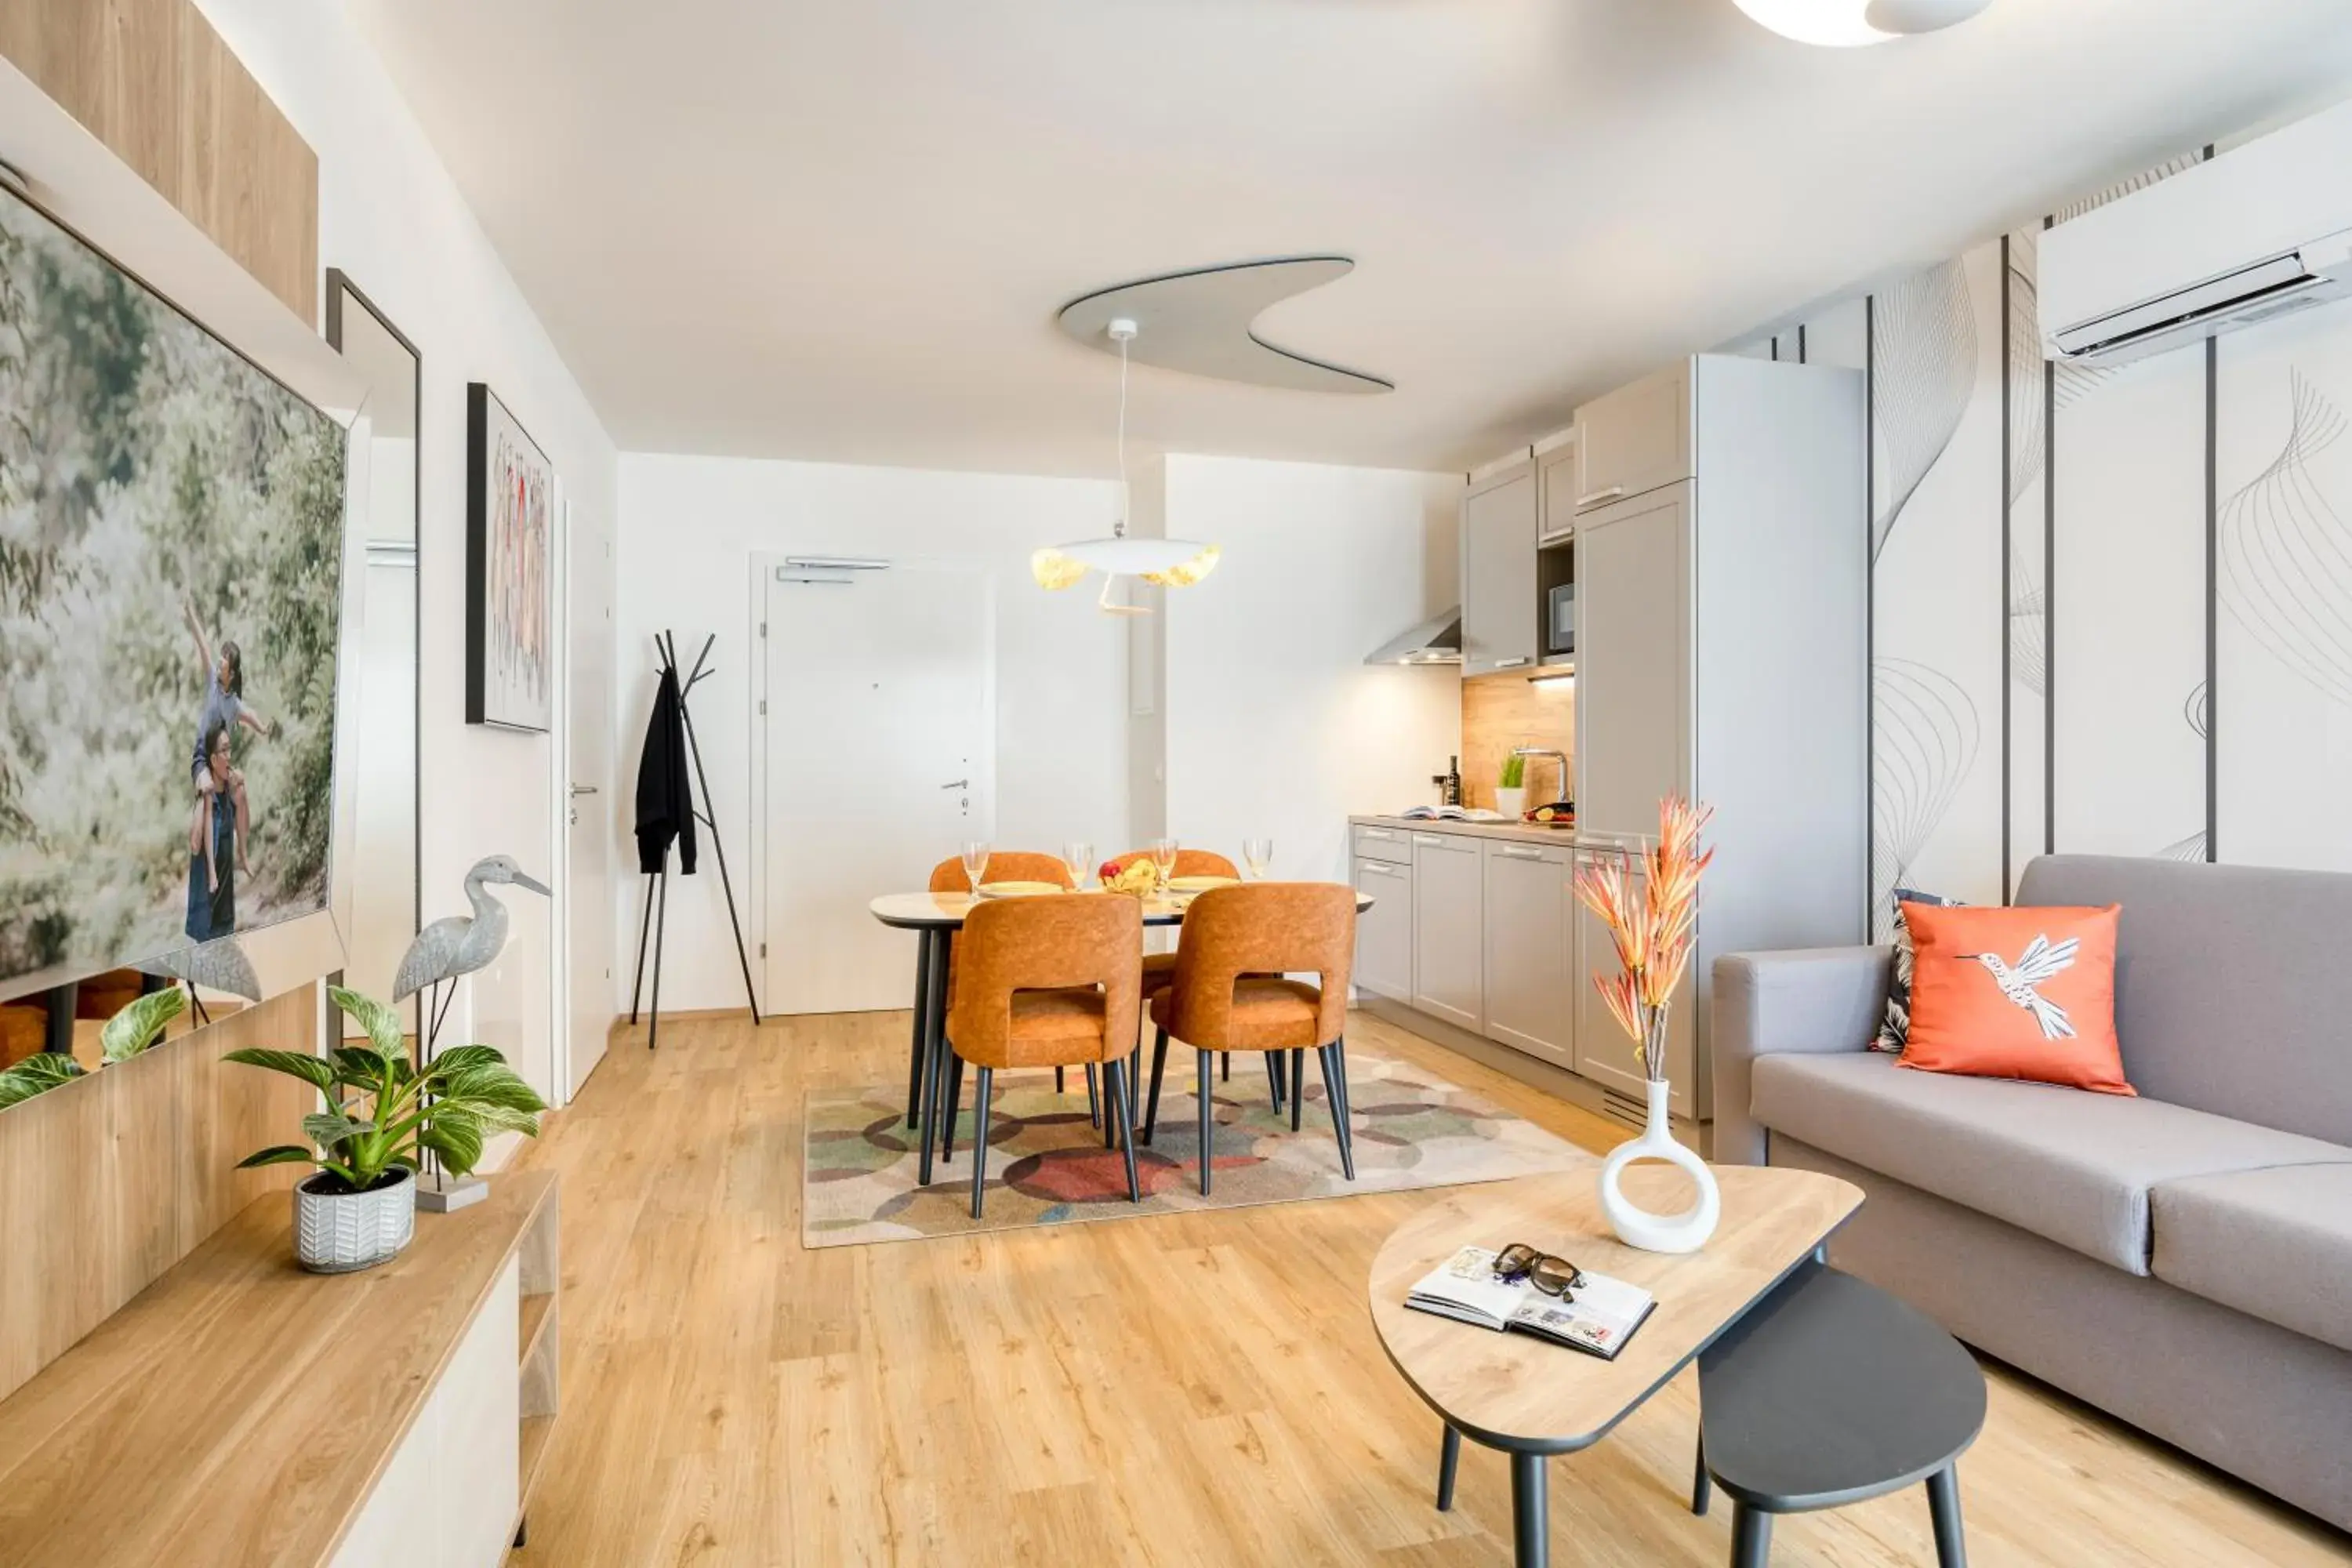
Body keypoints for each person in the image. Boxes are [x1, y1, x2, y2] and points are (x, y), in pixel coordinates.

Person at [182, 596, 278, 894]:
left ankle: (243, 856)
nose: (221, 659)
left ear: (232, 673)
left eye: (226, 659)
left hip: (220, 763)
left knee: (241, 789)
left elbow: (248, 715)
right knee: (197, 837)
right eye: (222, 655)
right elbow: (202, 645)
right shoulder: (211, 680)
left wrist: (263, 729)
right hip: (202, 759)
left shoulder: (233, 703)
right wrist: (191, 612)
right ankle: (203, 853)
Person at [183, 721, 237, 944]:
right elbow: (195, 845)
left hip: (226, 916)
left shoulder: (229, 798)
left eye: (229, 748)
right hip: (207, 919)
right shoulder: (206, 801)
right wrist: (202, 795)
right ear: (213, 761)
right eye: (224, 750)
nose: (229, 755)